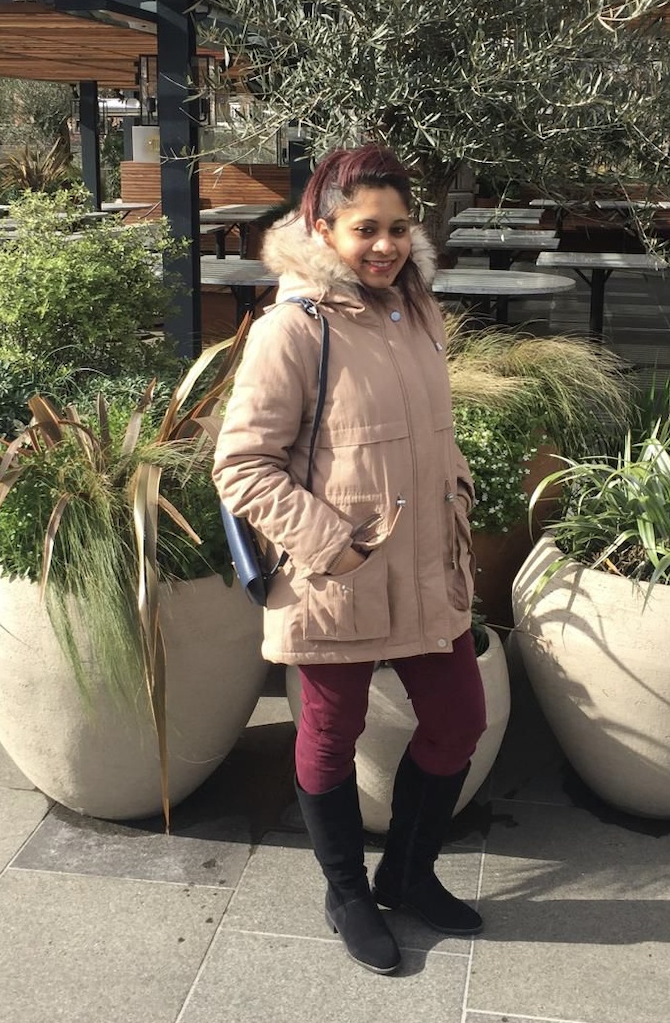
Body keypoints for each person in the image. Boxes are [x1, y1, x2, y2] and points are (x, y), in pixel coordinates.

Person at [213, 143, 487, 976]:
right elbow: (241, 464)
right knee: (332, 736)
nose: (386, 246)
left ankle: (406, 873)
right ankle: (347, 894)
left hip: (428, 566)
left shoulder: (418, 309)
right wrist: (333, 545)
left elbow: (429, 430)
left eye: (399, 228)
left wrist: (459, 489)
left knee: (458, 721)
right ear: (324, 228)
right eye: (366, 228)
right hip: (340, 577)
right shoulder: (293, 329)